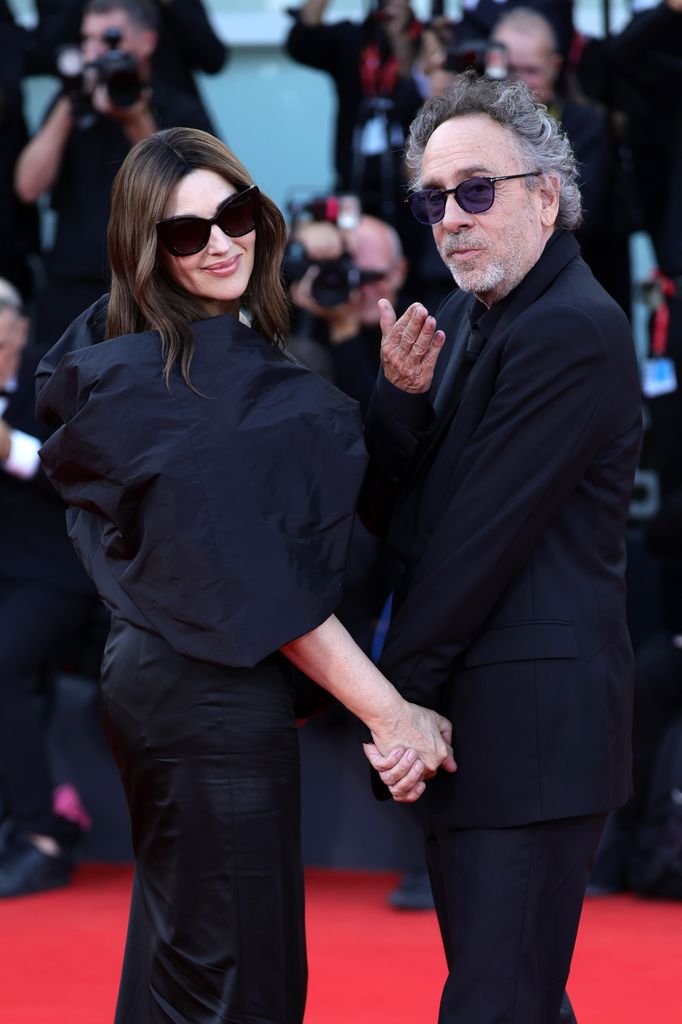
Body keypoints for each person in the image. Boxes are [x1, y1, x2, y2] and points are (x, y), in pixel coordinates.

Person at [34, 126, 455, 1024]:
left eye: (234, 214)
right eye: (187, 233)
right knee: (237, 981)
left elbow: (298, 522)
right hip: (209, 698)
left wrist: (392, 402)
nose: (221, 241)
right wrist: (392, 713)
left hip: (166, 683)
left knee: (179, 960)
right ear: (146, 250)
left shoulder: (155, 361)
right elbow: (268, 582)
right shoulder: (184, 385)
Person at [360, 71, 642, 1023]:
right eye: (433, 199)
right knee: (514, 999)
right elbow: (417, 512)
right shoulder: (491, 316)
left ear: (546, 195)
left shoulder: (568, 328)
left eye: (475, 189)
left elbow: (472, 543)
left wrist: (397, 704)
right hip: (496, 733)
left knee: (497, 1003)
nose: (451, 218)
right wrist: (399, 403)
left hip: (528, 736)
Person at [13, 0, 214, 351]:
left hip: (151, 288)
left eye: (110, 40)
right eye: (87, 40)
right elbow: (28, 187)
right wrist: (70, 102)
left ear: (147, 42)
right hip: (72, 286)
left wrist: (135, 119)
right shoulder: (70, 103)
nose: (95, 52)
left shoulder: (179, 108)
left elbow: (191, 198)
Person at [0, 278, 97, 897]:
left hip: (55, 576)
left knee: (1, 664)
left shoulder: (52, 378)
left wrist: (11, 449)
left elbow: (85, 470)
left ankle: (42, 833)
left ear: (14, 326)